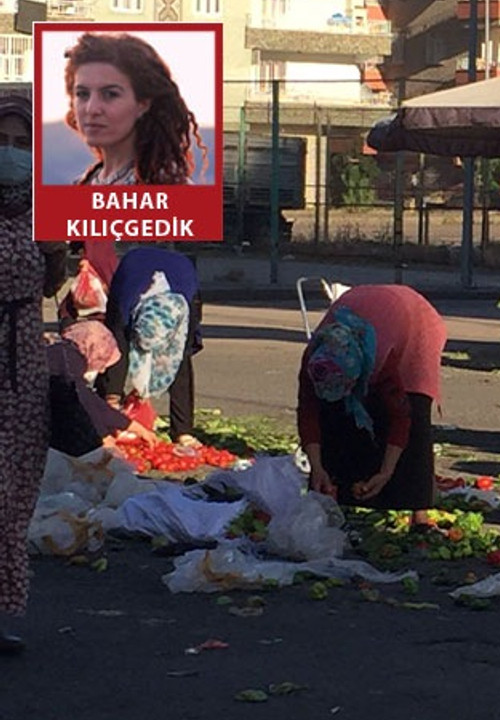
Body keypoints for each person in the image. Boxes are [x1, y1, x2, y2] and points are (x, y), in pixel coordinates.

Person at [0, 92, 67, 655]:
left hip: (21, 366)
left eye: (22, 144)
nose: (12, 153)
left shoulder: (41, 211)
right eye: (3, 142)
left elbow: (51, 286)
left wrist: (54, 252)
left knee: (15, 492)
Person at [297, 285, 446, 522]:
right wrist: (317, 466)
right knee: (335, 412)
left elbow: (400, 417)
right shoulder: (315, 360)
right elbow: (309, 411)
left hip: (414, 320)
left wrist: (386, 471)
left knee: (414, 404)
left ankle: (420, 514)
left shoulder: (380, 360)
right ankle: (338, 490)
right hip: (366, 307)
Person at [62, 32, 208, 186]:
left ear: (143, 104)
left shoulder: (168, 187)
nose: (92, 109)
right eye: (82, 94)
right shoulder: (84, 183)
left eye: (110, 94)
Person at [100, 247, 202, 445]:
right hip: (134, 274)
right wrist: (111, 403)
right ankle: (109, 412)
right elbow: (114, 351)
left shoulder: (187, 309)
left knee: (181, 362)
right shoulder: (125, 300)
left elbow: (184, 354)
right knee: (115, 349)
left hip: (179, 278)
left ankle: (183, 430)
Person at [48, 320, 158, 456]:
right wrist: (102, 437)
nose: (101, 371)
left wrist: (133, 427)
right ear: (96, 350)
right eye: (102, 360)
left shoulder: (64, 353)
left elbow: (94, 403)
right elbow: (83, 403)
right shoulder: (69, 362)